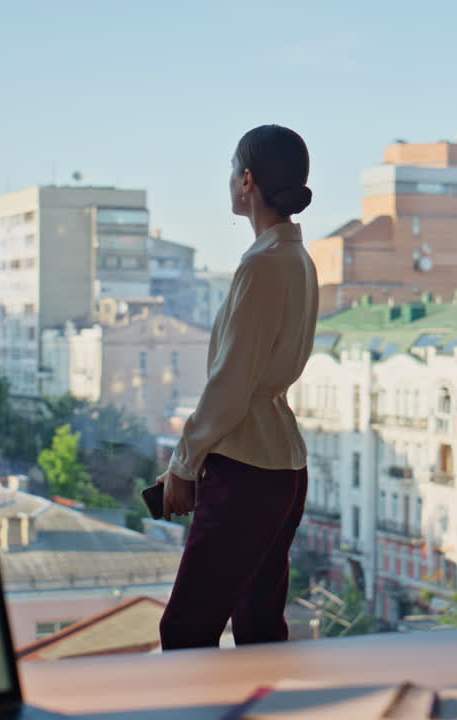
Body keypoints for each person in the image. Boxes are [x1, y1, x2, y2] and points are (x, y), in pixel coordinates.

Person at [157, 125, 319, 649]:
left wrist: (183, 463)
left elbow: (231, 383)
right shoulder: (297, 260)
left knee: (186, 629)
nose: (231, 180)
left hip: (247, 469)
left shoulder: (262, 265)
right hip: (284, 467)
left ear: (247, 181)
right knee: (259, 627)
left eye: (233, 170)